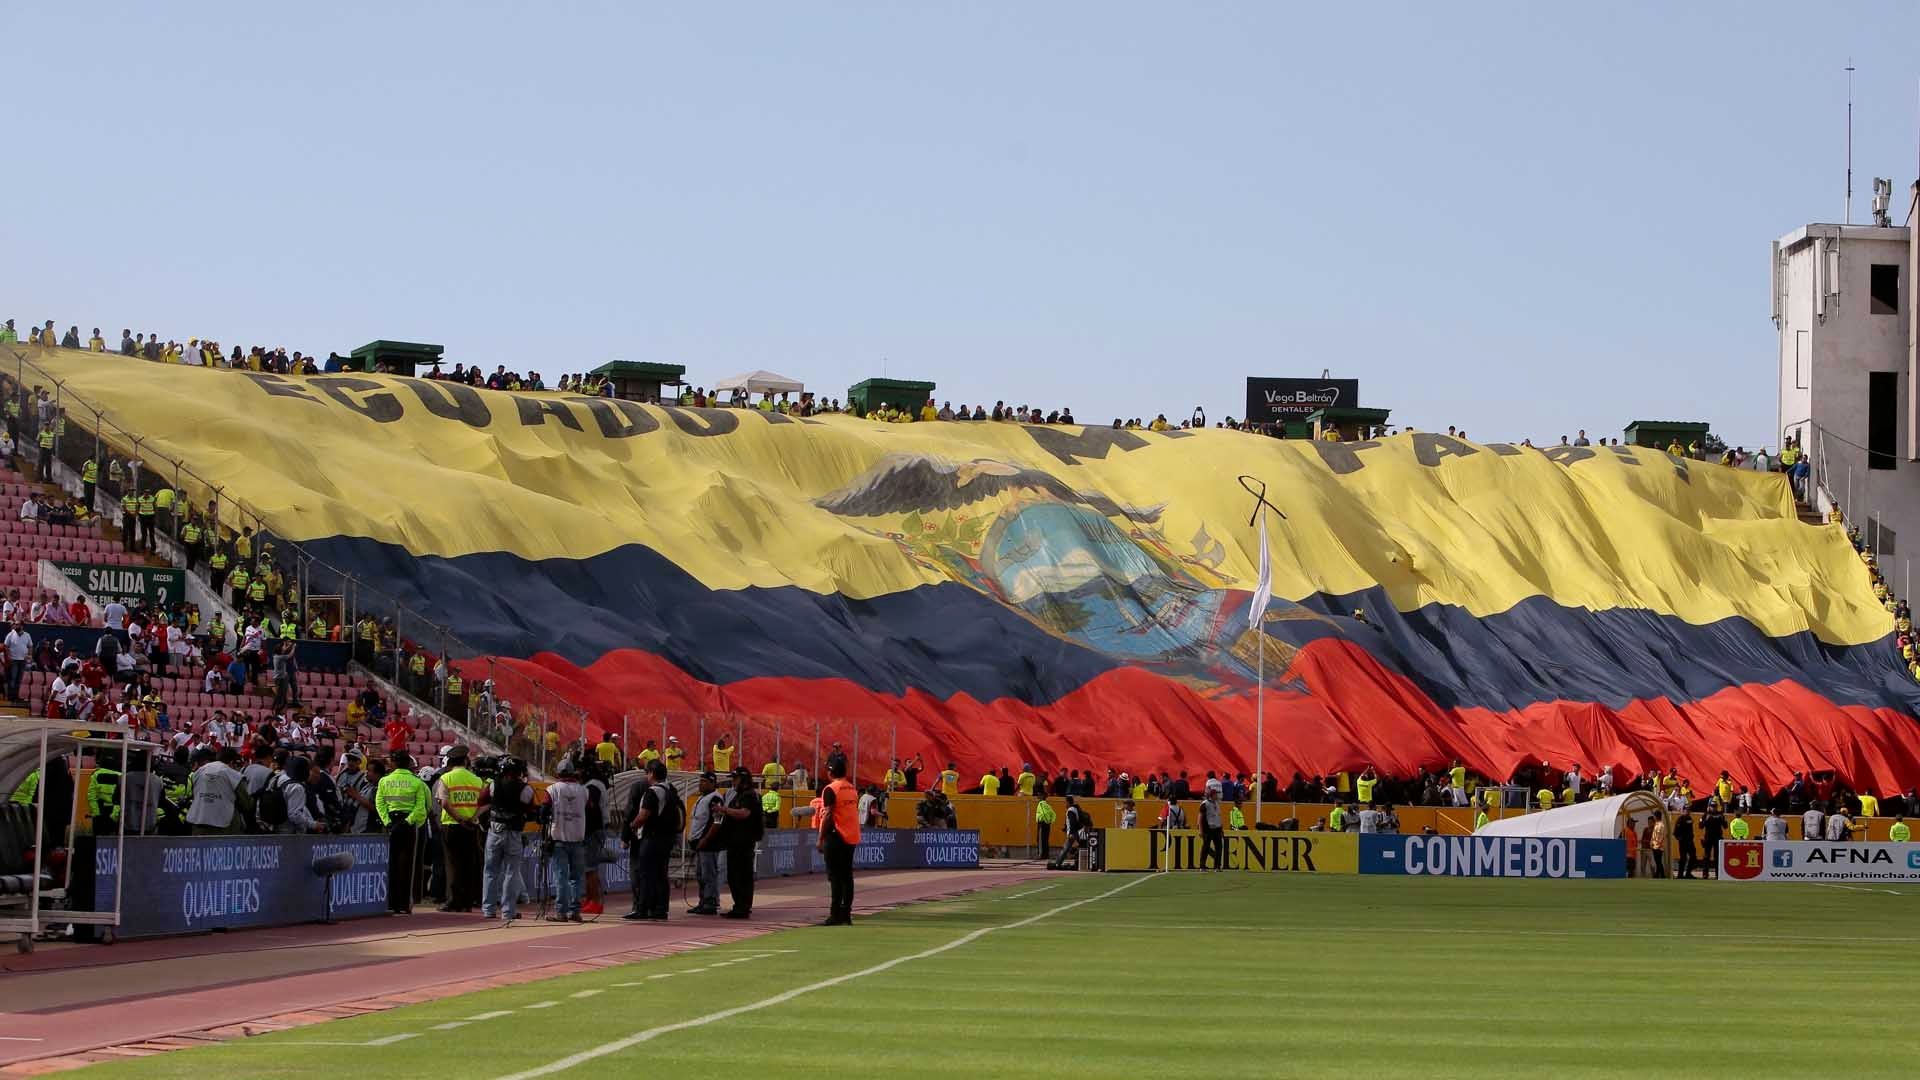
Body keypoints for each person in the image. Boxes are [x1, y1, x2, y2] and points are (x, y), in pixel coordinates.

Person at [478, 757, 534, 921]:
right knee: (511, 872)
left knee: (490, 871)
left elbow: (481, 801)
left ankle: (488, 909)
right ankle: (508, 911)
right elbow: (530, 810)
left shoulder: (494, 784)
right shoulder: (526, 789)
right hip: (513, 833)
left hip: (494, 830)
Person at [623, 760, 680, 921]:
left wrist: (633, 826)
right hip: (668, 838)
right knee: (662, 874)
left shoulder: (652, 791)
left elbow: (643, 815)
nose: (646, 775)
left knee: (646, 874)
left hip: (652, 837)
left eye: (647, 772)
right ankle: (661, 909)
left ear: (652, 774)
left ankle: (642, 908)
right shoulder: (671, 790)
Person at [433, 746, 485, 913]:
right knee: (469, 864)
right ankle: (467, 902)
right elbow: (483, 803)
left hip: (451, 825)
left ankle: (453, 901)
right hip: (471, 826)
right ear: (465, 761)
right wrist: (472, 818)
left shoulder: (446, 778)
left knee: (452, 864)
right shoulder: (477, 780)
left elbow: (444, 803)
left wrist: (459, 819)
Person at [377, 752, 430, 914]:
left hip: (391, 823)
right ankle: (404, 905)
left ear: (393, 763)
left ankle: (390, 903)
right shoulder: (417, 782)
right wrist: (408, 822)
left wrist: (388, 822)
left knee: (390, 864)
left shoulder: (384, 781)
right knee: (407, 866)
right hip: (408, 825)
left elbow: (380, 803)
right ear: (408, 764)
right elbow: (421, 807)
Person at [816, 751, 859, 925]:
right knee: (847, 876)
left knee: (835, 877)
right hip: (851, 836)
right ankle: (845, 913)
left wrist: (820, 838)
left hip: (836, 835)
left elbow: (828, 815)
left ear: (830, 771)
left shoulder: (830, 789)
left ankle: (835, 914)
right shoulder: (851, 788)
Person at [545, 761, 589, 922]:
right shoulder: (584, 791)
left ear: (558, 773)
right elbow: (589, 808)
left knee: (561, 877)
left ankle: (561, 912)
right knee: (576, 877)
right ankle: (575, 911)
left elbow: (544, 809)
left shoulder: (553, 789)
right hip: (578, 838)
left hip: (559, 839)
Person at [717, 768, 762, 918]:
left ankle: (742, 907)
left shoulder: (749, 795)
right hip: (735, 841)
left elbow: (744, 813)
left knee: (741, 875)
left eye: (735, 778)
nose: (733, 781)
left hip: (743, 842)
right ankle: (740, 906)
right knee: (735, 875)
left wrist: (724, 810)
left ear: (743, 780)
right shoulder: (739, 795)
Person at [687, 771, 725, 915]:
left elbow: (717, 822)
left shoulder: (715, 798)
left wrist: (705, 839)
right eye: (700, 781)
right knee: (700, 874)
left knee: (709, 874)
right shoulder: (702, 798)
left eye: (704, 781)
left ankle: (711, 902)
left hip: (709, 843)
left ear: (712, 783)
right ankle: (703, 901)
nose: (700, 784)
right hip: (699, 843)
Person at [1197, 787, 1225, 871]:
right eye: (1216, 794)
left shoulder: (1216, 804)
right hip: (1208, 829)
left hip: (1217, 828)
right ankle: (1202, 866)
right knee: (1206, 847)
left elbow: (1218, 817)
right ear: (1212, 795)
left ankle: (1217, 866)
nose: (1217, 795)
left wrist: (1221, 829)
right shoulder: (1205, 804)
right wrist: (1201, 830)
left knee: (1219, 847)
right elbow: (1200, 818)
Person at [1034, 797, 1055, 861]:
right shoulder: (1048, 806)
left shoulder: (1041, 804)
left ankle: (1041, 855)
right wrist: (1050, 821)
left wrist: (1046, 821)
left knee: (1040, 839)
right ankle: (1046, 854)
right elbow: (1054, 814)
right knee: (1045, 839)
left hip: (1042, 824)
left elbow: (1043, 813)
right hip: (1047, 824)